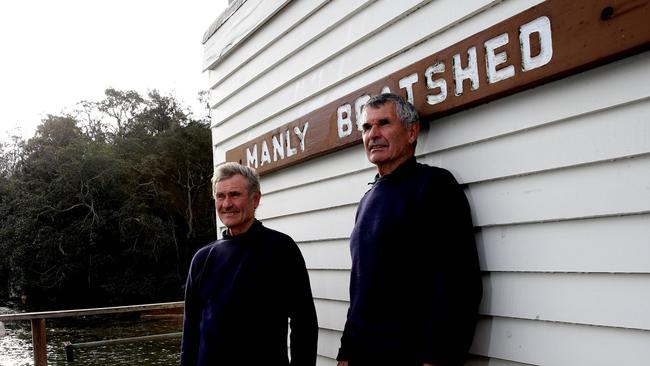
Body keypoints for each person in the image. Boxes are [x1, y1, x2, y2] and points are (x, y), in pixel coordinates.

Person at [337, 93, 482, 366]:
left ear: (412, 131)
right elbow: (360, 288)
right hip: (363, 355)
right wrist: (346, 352)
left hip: (412, 355)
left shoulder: (434, 186)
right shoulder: (367, 200)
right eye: (367, 127)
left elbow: (458, 282)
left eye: (383, 123)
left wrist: (438, 358)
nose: (373, 134)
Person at [180, 162, 318, 366]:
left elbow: (304, 323)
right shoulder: (202, 258)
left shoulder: (281, 249)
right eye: (220, 196)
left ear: (256, 199)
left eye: (235, 195)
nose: (226, 204)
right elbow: (190, 331)